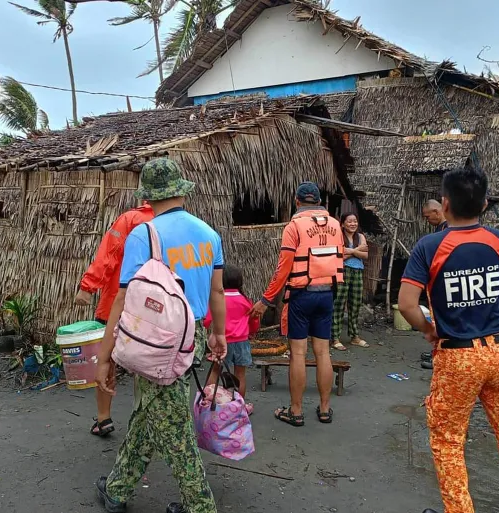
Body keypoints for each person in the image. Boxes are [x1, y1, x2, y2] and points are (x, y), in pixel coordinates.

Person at [398, 166, 499, 513]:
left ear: (444, 205)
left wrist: (429, 330)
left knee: (448, 440)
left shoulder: (430, 246)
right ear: (485, 203)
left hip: (458, 357)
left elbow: (406, 304)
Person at [94, 157, 228, 513]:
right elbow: (217, 292)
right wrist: (218, 334)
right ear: (181, 191)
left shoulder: (144, 234)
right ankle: (117, 489)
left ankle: (200, 506)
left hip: (157, 343)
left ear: (149, 197)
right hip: (194, 336)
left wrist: (105, 356)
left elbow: (123, 297)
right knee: (150, 410)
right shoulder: (208, 233)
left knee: (175, 429)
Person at [250, 182, 344, 426]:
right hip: (327, 295)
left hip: (301, 296)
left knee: (298, 354)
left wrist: (266, 300)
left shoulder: (294, 227)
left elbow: (284, 268)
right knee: (323, 352)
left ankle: (296, 410)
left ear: (297, 201)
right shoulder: (335, 225)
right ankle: (325, 409)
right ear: (320, 201)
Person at [75, 202, 154, 437]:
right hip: (154, 308)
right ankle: (145, 420)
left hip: (117, 302)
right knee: (149, 362)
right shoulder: (175, 224)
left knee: (106, 358)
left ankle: (103, 418)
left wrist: (87, 287)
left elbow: (109, 252)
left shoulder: (130, 220)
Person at [204, 264, 260, 415]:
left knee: (215, 371)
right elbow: (254, 320)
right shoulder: (245, 300)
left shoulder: (217, 300)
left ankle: (209, 403)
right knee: (240, 374)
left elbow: (207, 320)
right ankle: (238, 408)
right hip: (242, 342)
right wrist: (252, 332)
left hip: (222, 343)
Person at [331, 212, 369, 351]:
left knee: (355, 304)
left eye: (355, 221)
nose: (353, 224)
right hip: (343, 271)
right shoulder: (338, 236)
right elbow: (338, 256)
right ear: (342, 224)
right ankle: (335, 338)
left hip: (358, 272)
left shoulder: (361, 236)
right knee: (339, 303)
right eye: (349, 221)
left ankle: (354, 337)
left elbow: (365, 255)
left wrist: (349, 251)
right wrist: (357, 250)